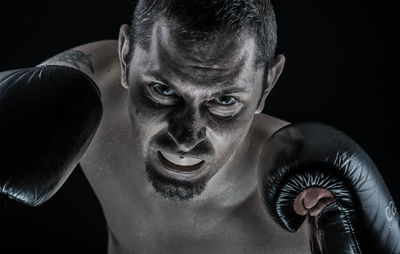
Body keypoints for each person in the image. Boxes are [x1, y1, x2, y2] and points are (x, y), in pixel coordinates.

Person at [1, 0, 399, 253]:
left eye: (223, 100)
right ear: (125, 58)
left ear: (267, 84)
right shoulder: (92, 88)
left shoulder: (309, 215)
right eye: (162, 90)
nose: (186, 137)